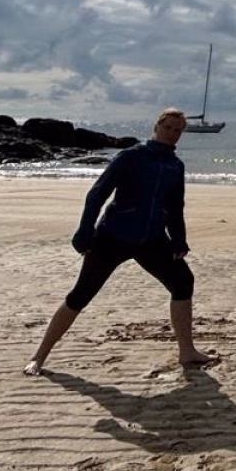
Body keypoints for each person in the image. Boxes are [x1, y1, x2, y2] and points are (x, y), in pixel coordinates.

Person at [24, 107, 215, 376]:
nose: (172, 133)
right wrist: (84, 231)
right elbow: (98, 193)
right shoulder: (131, 156)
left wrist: (180, 240)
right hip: (113, 237)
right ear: (157, 126)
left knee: (183, 282)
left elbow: (175, 206)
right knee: (81, 295)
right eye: (168, 127)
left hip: (151, 240)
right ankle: (38, 357)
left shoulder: (175, 165)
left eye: (177, 130)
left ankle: (187, 351)